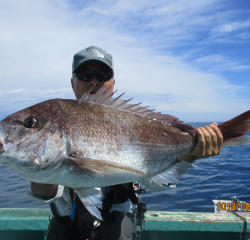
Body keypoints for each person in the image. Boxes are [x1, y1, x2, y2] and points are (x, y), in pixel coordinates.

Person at [30, 46, 223, 240]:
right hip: (65, 229)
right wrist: (37, 162)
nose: (94, 81)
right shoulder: (59, 120)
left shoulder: (131, 120)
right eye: (84, 74)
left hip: (116, 228)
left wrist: (191, 154)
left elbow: (154, 183)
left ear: (112, 82)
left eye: (103, 75)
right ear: (73, 83)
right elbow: (45, 193)